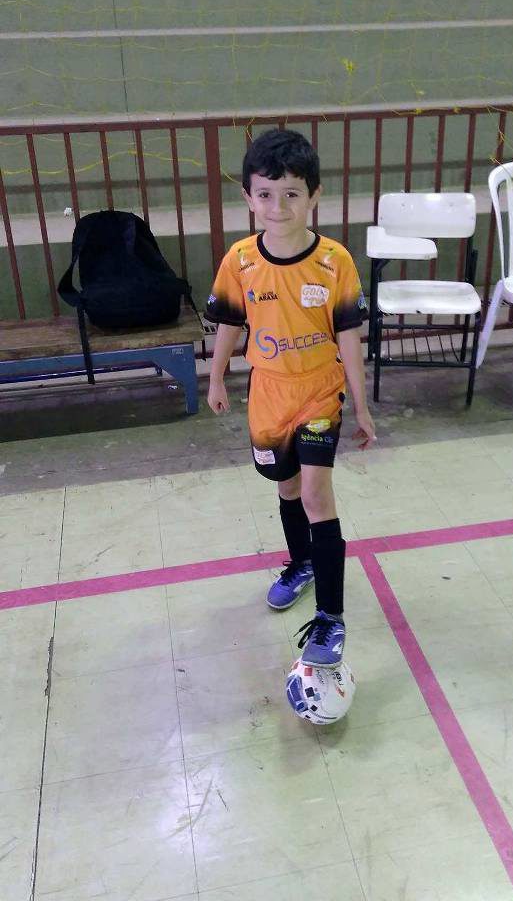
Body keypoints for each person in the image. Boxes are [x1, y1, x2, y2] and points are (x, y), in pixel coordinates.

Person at [205, 129, 376, 667]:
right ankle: (301, 563)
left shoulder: (334, 261)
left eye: (292, 194)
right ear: (248, 197)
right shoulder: (239, 260)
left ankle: (330, 618)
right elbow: (229, 324)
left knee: (316, 494)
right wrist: (215, 378)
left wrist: (362, 405)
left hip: (320, 392)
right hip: (268, 395)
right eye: (265, 194)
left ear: (314, 195)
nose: (278, 207)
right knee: (286, 487)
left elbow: (349, 337)